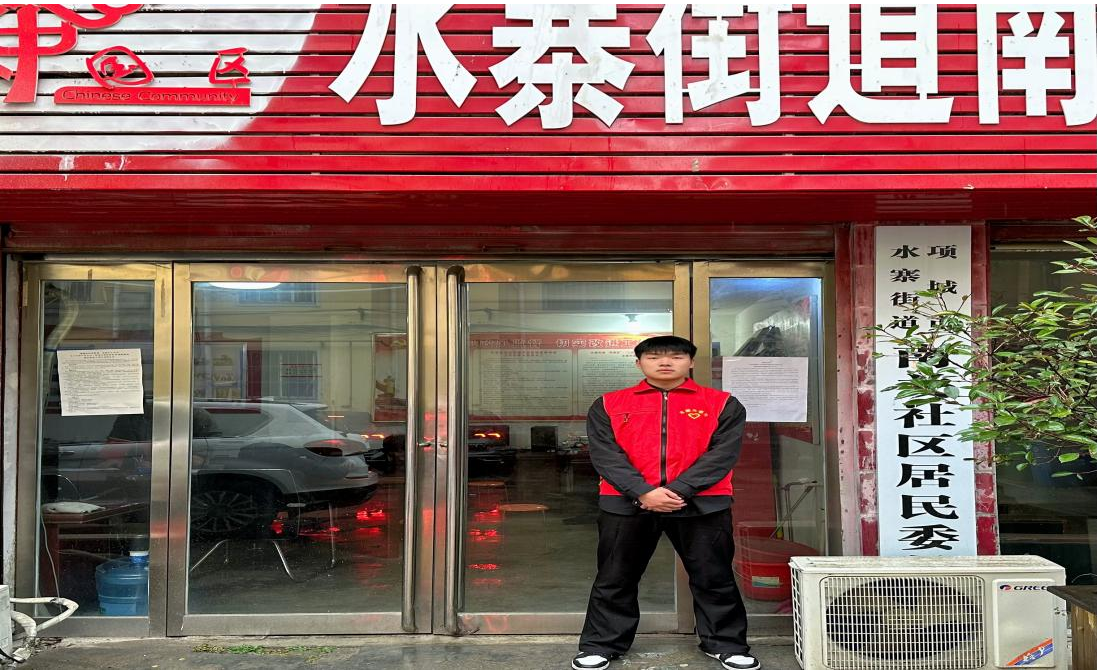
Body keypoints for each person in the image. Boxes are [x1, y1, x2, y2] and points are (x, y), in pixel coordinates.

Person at [572, 336, 757, 670]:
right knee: (615, 576)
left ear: (691, 362)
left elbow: (722, 454)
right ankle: (601, 644)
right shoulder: (609, 404)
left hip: (703, 503)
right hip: (626, 502)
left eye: (676, 356)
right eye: (655, 356)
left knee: (713, 575)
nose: (666, 362)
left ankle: (726, 644)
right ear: (639, 363)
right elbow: (605, 455)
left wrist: (680, 490)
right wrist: (642, 491)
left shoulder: (722, 403)